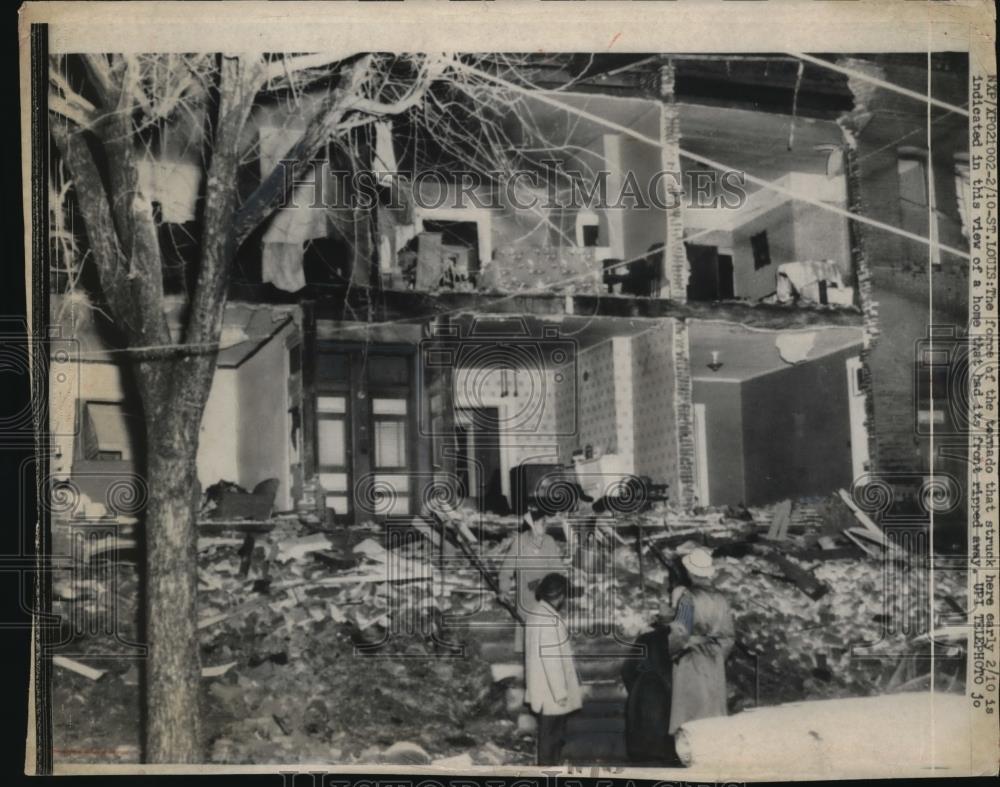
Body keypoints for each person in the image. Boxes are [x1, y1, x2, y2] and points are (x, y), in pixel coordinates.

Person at [667, 547, 735, 736]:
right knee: (712, 710)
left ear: (690, 572)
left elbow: (680, 632)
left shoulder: (688, 598)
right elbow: (729, 636)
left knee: (691, 714)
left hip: (691, 659)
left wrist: (673, 653)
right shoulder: (722, 599)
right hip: (714, 660)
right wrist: (718, 654)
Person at [523, 572, 582, 766]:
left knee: (549, 737)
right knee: (551, 739)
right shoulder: (549, 620)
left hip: (541, 688)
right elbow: (552, 661)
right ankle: (548, 775)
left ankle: (549, 771)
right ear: (560, 595)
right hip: (551, 692)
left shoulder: (536, 613)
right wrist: (560, 693)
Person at [498, 503, 564, 653]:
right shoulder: (520, 542)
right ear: (532, 524)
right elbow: (507, 567)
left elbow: (558, 568)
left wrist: (555, 586)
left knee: (546, 642)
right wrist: (503, 589)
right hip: (527, 599)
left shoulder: (549, 541)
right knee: (529, 642)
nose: (546, 525)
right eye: (542, 522)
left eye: (546, 522)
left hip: (547, 598)